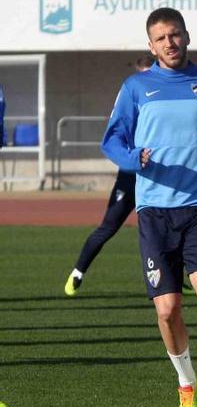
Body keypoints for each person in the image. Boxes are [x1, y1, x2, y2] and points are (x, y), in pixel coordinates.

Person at [101, 8, 197, 407]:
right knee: (167, 309)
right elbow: (112, 139)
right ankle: (186, 385)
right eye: (161, 38)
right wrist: (133, 159)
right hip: (154, 211)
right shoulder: (136, 87)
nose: (170, 43)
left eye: (176, 35)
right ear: (151, 45)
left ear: (186, 36)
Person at [64, 54, 153, 297]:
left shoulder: (164, 97)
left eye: (150, 72)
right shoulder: (130, 95)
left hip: (157, 177)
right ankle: (77, 272)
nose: (146, 79)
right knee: (108, 226)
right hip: (129, 176)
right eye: (142, 73)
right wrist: (131, 158)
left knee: (161, 232)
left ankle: (177, 281)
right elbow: (114, 138)